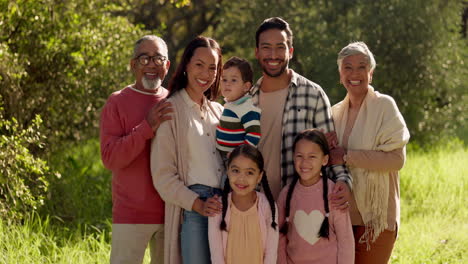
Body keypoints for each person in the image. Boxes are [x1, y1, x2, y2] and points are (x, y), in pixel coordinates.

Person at [251, 17, 351, 204]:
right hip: (254, 205)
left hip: (300, 206)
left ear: (290, 51)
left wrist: (343, 181)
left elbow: (330, 151)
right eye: (266, 47)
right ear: (257, 52)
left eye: (280, 47)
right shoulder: (246, 100)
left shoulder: (313, 94)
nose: (273, 55)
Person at [331, 42, 410, 263]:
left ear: (370, 73)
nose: (354, 73)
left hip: (377, 218)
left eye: (361, 67)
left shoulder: (384, 106)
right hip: (341, 217)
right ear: (340, 74)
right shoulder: (334, 113)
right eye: (347, 67)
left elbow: (396, 160)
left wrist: (347, 156)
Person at [150, 36, 224, 264]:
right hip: (194, 209)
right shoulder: (171, 110)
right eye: (199, 65)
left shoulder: (220, 111)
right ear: (186, 66)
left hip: (224, 206)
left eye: (212, 67)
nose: (206, 73)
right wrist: (198, 204)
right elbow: (163, 176)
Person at [100, 35, 173, 264]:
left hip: (170, 215)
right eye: (144, 59)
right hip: (130, 216)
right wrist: (146, 127)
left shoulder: (174, 101)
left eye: (158, 59)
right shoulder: (117, 102)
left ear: (167, 65)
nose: (152, 65)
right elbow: (110, 158)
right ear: (133, 64)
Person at [277, 129, 354, 264]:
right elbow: (279, 236)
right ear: (293, 157)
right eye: (299, 156)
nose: (305, 162)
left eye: (312, 156)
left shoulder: (333, 193)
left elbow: (345, 240)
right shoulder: (286, 194)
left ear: (324, 160)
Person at [208, 144, 279, 264]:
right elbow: (216, 255)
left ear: (259, 176)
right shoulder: (218, 206)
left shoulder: (267, 206)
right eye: (236, 170)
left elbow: (271, 253)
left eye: (250, 173)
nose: (241, 178)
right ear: (228, 171)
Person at [216, 57, 261, 157]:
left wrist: (239, 155)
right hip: (223, 159)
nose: (227, 83)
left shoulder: (247, 107)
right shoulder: (231, 105)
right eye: (224, 79)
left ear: (246, 86)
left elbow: (254, 134)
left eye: (233, 80)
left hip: (238, 161)